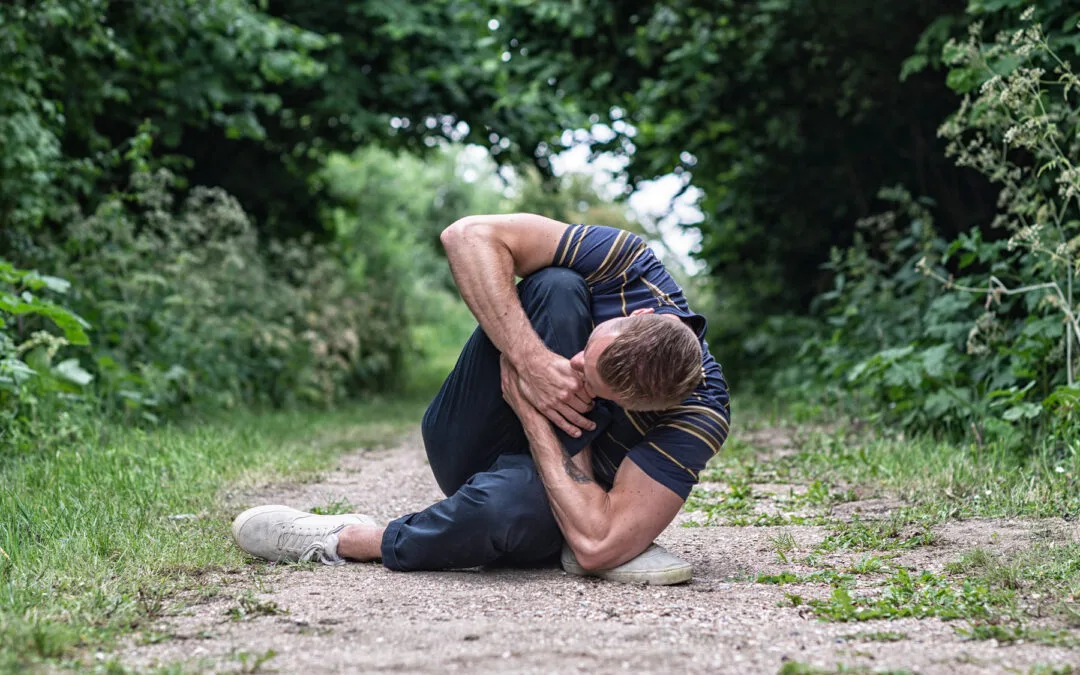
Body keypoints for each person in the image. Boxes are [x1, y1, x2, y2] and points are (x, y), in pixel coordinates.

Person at [232, 213, 730, 585]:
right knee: (557, 284)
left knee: (506, 511)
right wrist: (532, 361)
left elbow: (598, 546)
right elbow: (466, 235)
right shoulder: (628, 265)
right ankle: (538, 488)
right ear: (640, 317)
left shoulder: (698, 415)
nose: (574, 366)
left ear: (647, 407)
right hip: (472, 434)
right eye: (585, 356)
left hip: (544, 490)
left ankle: (346, 538)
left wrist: (535, 416)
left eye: (591, 387)